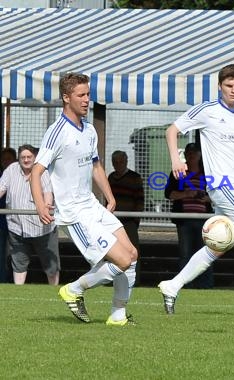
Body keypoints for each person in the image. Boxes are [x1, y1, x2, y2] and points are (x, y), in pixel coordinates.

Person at [158, 63, 234, 314]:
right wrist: (176, 158)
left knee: (220, 245)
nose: (233, 90)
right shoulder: (207, 110)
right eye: (229, 86)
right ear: (220, 86)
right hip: (222, 185)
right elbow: (172, 130)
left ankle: (172, 285)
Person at [31, 72, 138, 326]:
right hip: (74, 212)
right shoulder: (57, 132)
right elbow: (36, 172)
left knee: (132, 254)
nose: (86, 99)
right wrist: (39, 204)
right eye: (81, 95)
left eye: (88, 94)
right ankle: (74, 289)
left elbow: (96, 166)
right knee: (121, 260)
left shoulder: (89, 130)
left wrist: (109, 197)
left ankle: (117, 315)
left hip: (91, 205)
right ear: (66, 98)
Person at [0, 144, 60, 285]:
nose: (26, 160)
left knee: (51, 267)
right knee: (19, 266)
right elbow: (1, 187)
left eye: (29, 157)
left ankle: (54, 292)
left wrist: (46, 206)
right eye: (23, 157)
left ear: (34, 158)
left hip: (43, 229)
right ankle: (18, 293)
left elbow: (47, 193)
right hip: (17, 229)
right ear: (18, 159)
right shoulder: (11, 170)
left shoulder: (41, 171)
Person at [164, 142, 213, 289]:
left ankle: (205, 285)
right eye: (189, 153)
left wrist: (207, 198)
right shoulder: (178, 173)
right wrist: (187, 193)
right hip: (184, 220)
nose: (191, 156)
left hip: (204, 220)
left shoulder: (207, 173)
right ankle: (186, 284)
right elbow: (169, 194)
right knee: (185, 254)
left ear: (199, 155)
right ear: (185, 155)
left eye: (194, 153)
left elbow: (217, 195)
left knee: (206, 253)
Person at [108, 150, 144, 284]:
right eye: (115, 162)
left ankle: (135, 280)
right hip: (114, 221)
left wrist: (135, 220)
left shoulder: (135, 177)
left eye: (120, 162)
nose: (118, 165)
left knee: (133, 250)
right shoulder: (111, 177)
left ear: (126, 161)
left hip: (129, 221)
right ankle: (114, 279)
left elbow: (140, 200)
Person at [0, 147, 17, 283]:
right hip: (1, 222)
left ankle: (11, 281)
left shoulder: (18, 175)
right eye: (4, 159)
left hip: (14, 222)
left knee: (15, 254)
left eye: (9, 159)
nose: (6, 162)